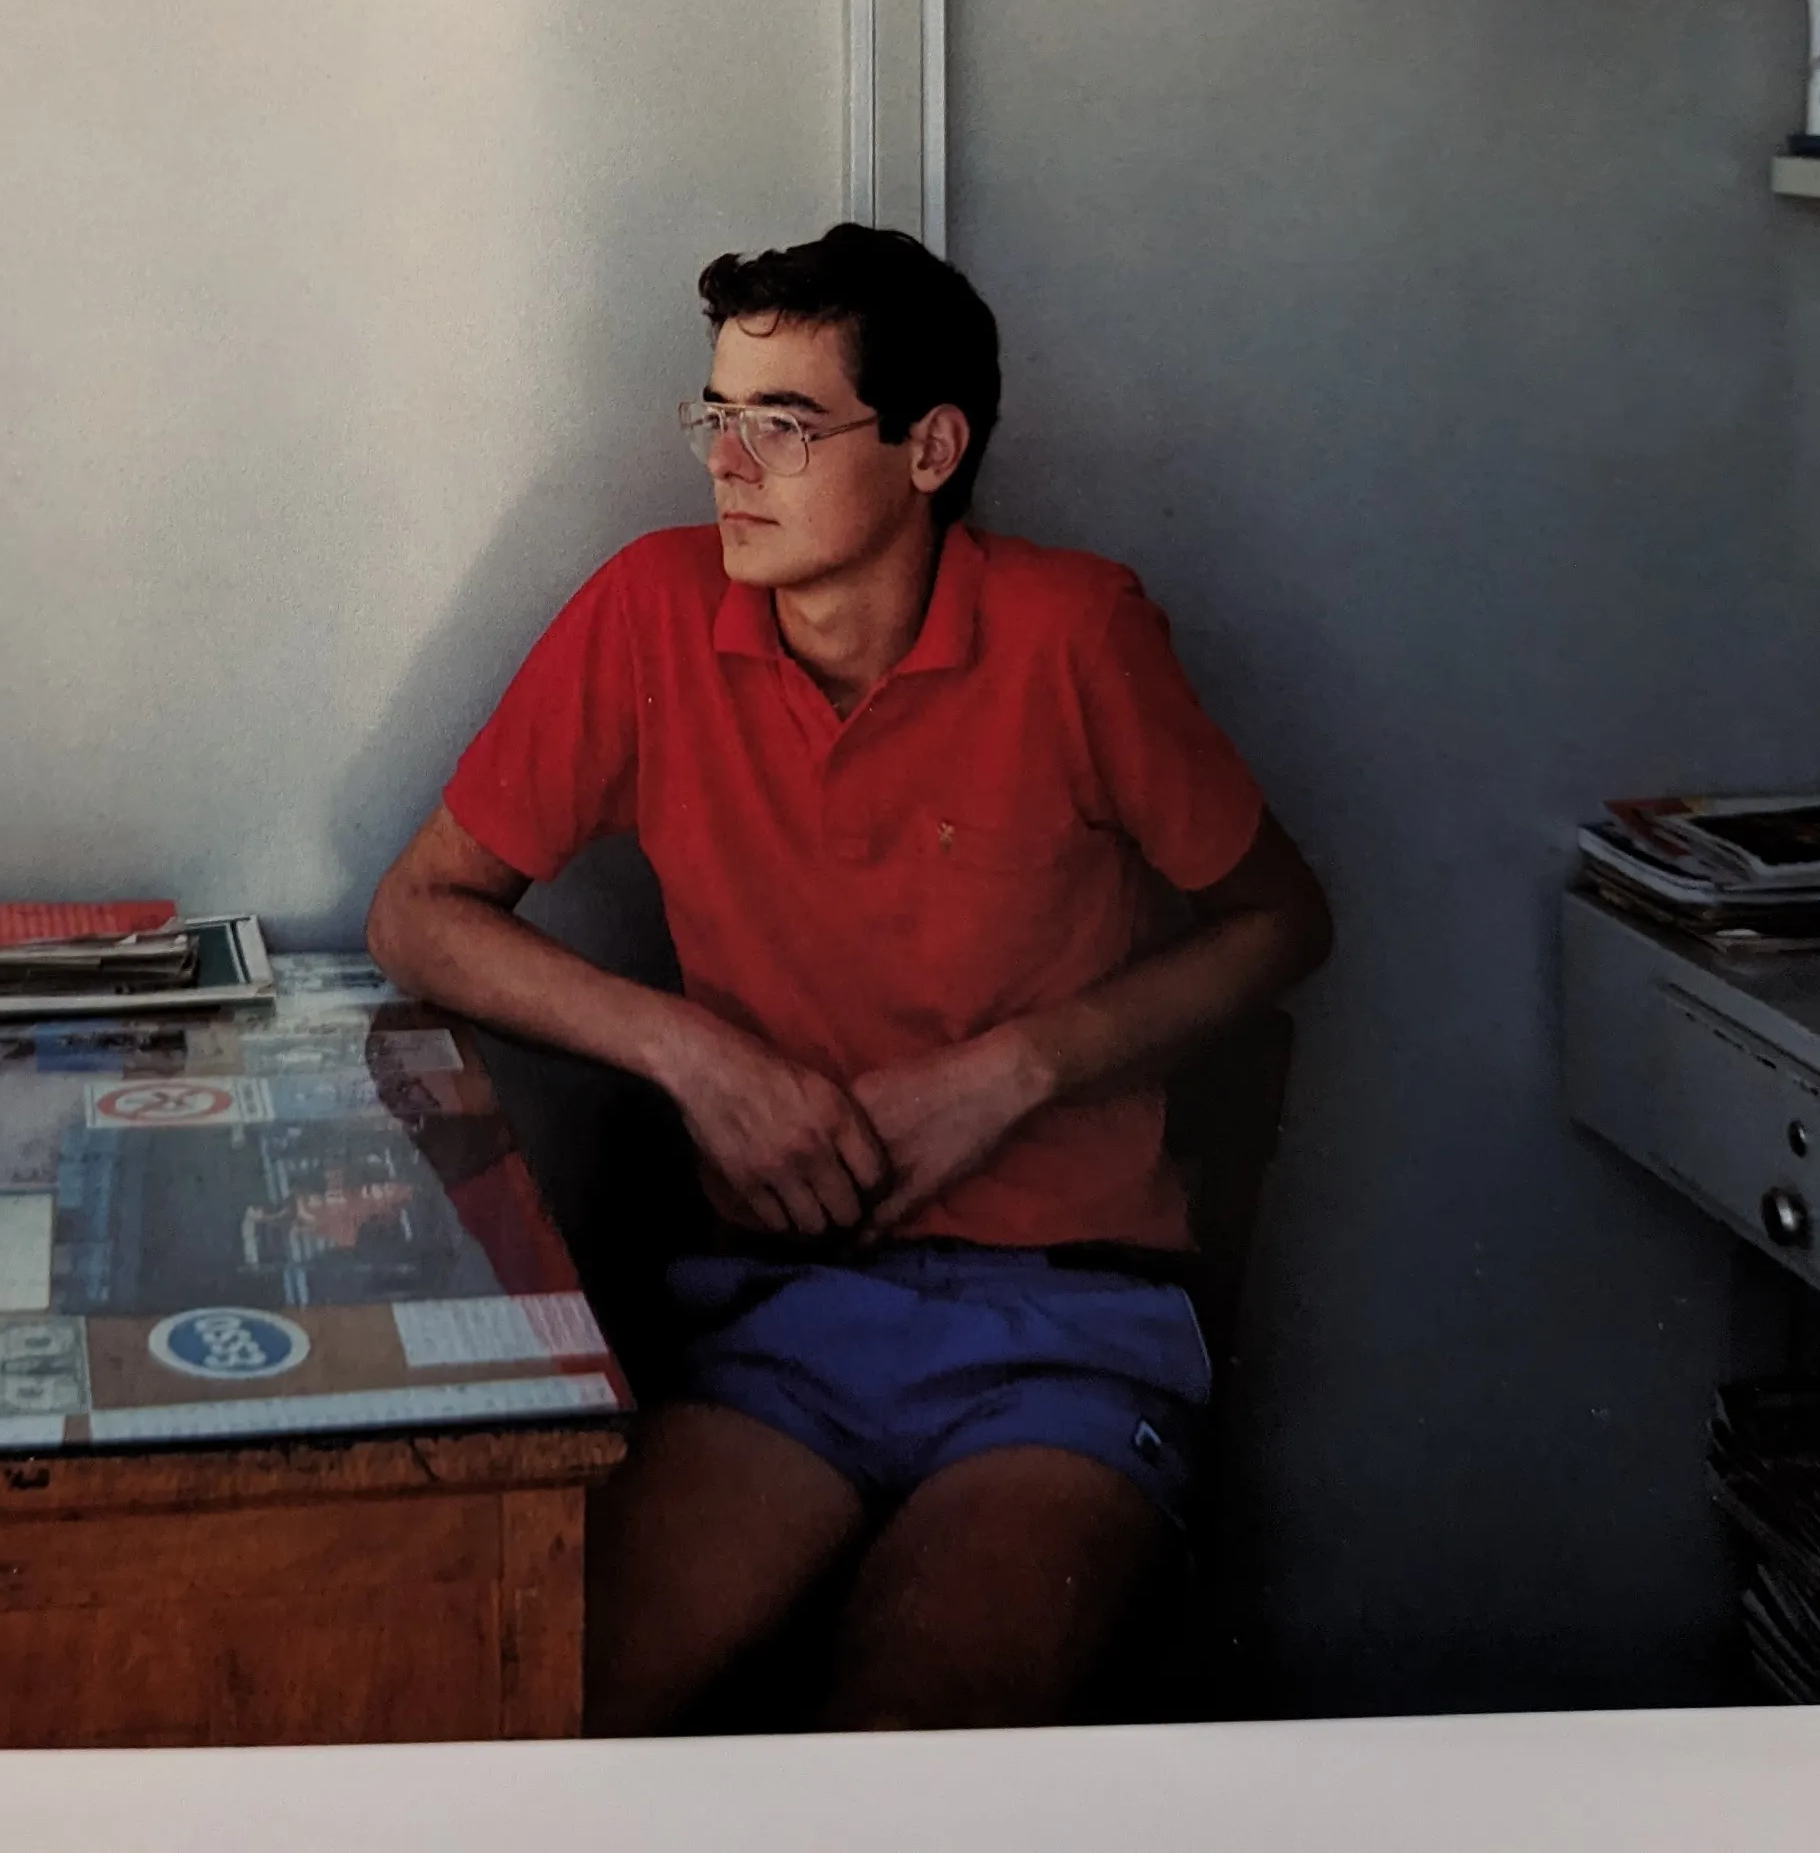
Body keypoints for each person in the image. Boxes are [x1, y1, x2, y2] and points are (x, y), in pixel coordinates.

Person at [366, 222, 1334, 1733]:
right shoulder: (650, 611)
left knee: (907, 1750)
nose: (727, 466)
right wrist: (699, 1059)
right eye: (716, 417)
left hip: (1064, 1325)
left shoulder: (1074, 633)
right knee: (546, 1713)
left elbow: (1284, 923)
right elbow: (420, 913)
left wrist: (1013, 1071)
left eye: (785, 424)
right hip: (779, 1321)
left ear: (932, 448)